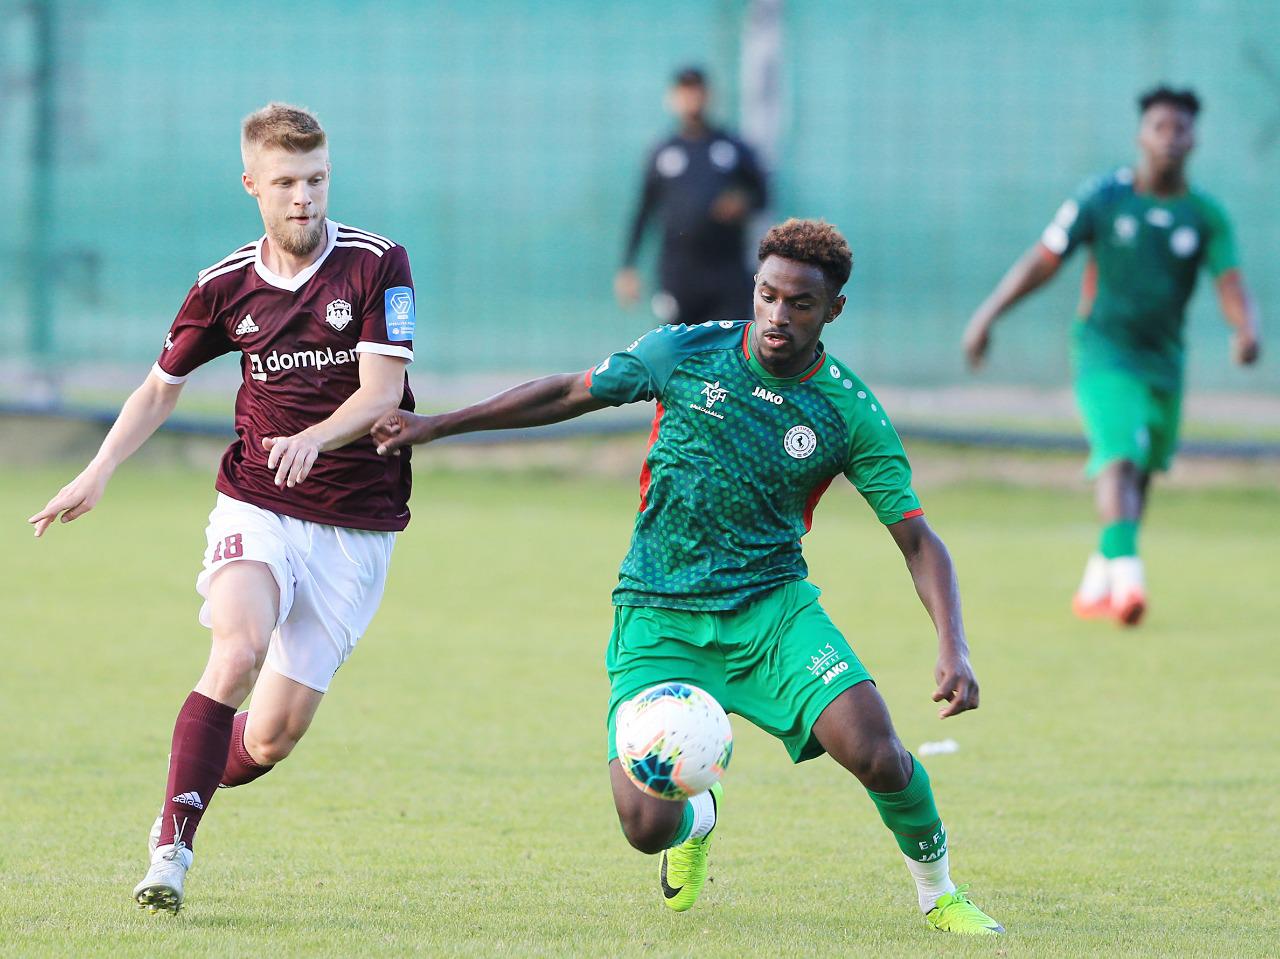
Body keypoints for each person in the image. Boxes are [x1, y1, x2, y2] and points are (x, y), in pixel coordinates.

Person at [373, 219, 1004, 935]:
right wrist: (439, 425)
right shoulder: (687, 351)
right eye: (768, 294)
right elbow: (568, 392)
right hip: (658, 612)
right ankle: (699, 816)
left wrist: (955, 644)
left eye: (800, 303)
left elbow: (918, 540)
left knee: (876, 750)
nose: (778, 314)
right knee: (646, 824)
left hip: (771, 612)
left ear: (833, 310)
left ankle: (940, 893)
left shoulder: (847, 410)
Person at [28, 103, 417, 913]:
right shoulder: (224, 285)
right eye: (285, 183)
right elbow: (159, 389)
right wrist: (98, 471)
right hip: (259, 501)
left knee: (272, 735)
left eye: (315, 179)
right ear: (252, 186)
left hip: (358, 522)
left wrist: (318, 433)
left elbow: (381, 395)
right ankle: (170, 849)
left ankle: (198, 769)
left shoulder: (378, 264)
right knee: (235, 651)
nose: (303, 197)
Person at [963, 85, 1262, 627]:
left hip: (1164, 361)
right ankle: (1128, 581)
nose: (1171, 137)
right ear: (1141, 135)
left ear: (1195, 139)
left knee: (1142, 470)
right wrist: (988, 315)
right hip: (1104, 352)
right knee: (1119, 456)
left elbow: (1232, 283)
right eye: (1160, 126)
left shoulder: (1204, 214)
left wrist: (1246, 330)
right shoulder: (1102, 197)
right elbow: (1044, 259)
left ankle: (1096, 585)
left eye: (1182, 128)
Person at [615, 66, 769, 327]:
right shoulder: (663, 152)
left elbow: (762, 195)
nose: (691, 99)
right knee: (676, 349)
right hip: (679, 274)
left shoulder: (732, 147)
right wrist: (628, 267)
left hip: (726, 272)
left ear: (708, 96)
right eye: (685, 93)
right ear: (672, 98)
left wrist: (742, 202)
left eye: (697, 92)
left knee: (728, 350)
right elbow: (643, 211)